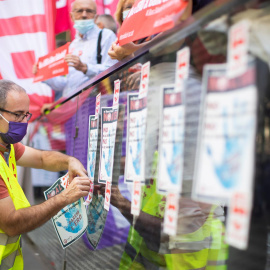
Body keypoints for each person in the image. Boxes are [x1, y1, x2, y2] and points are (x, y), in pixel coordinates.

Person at [0, 80, 90, 269]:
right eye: (17, 115)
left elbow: (41, 158)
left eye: (26, 115)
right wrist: (63, 198)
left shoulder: (7, 146)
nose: (24, 122)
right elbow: (11, 224)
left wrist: (69, 161)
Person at [33, 0, 118, 98]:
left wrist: (85, 68)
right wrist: (43, 75)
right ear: (72, 16)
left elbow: (113, 69)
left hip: (95, 101)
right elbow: (67, 84)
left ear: (96, 17)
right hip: (73, 107)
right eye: (79, 11)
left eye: (89, 11)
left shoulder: (105, 36)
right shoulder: (72, 46)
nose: (84, 15)